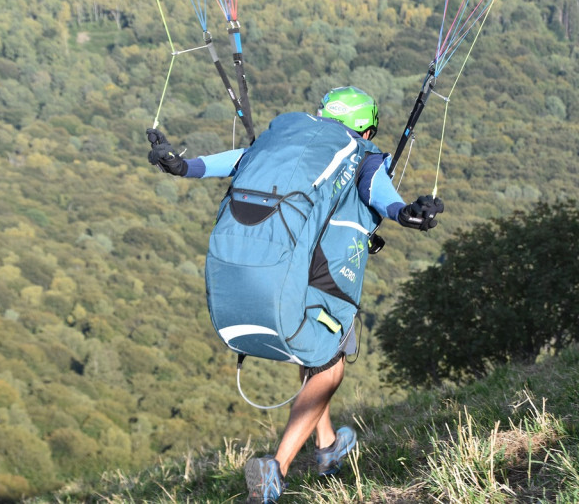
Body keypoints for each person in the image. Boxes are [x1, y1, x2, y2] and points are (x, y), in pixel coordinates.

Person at [147, 86, 443, 503]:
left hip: (276, 275)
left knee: (311, 350)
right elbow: (381, 193)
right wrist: (406, 213)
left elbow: (237, 160)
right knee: (329, 368)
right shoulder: (363, 154)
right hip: (323, 279)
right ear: (369, 129)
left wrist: (183, 166)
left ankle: (326, 447)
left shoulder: (282, 144)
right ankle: (277, 468)